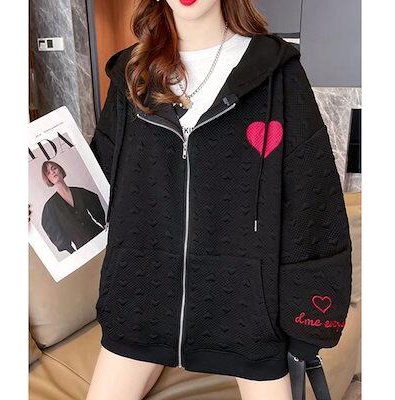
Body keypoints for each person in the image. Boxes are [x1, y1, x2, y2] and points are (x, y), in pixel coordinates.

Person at [87, 1, 353, 399]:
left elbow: (313, 203)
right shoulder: (132, 75)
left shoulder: (277, 73)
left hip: (249, 318)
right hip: (140, 306)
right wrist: (39, 207)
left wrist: (306, 329)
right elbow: (100, 181)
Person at [40, 161, 106, 253]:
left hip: (100, 236)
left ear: (60, 170)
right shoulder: (50, 207)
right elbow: (53, 231)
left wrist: (104, 223)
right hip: (83, 249)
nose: (53, 172)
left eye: (54, 168)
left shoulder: (79, 192)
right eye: (48, 173)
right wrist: (71, 250)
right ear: (48, 179)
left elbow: (95, 204)